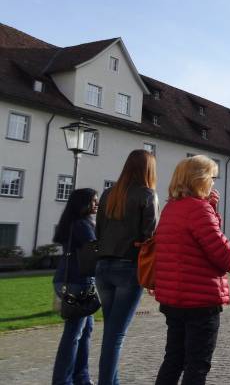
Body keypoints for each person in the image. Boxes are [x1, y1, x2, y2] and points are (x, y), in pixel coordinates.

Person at [154, 155, 230, 385]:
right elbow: (226, 258)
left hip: (174, 299)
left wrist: (210, 209)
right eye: (211, 177)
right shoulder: (199, 210)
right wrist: (211, 211)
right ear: (200, 180)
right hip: (200, 302)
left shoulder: (171, 209)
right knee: (197, 366)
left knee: (173, 360)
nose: (213, 183)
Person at [95, 149, 158, 385]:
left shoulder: (108, 194)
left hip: (102, 267)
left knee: (111, 331)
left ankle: (112, 381)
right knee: (116, 334)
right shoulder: (147, 194)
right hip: (128, 267)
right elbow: (150, 236)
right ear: (148, 170)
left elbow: (98, 230)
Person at [52, 188, 99, 385]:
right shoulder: (82, 224)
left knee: (85, 330)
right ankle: (64, 380)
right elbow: (95, 248)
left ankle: (81, 377)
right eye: (94, 201)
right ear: (84, 204)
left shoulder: (71, 223)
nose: (97, 204)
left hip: (67, 279)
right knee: (74, 334)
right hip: (77, 282)